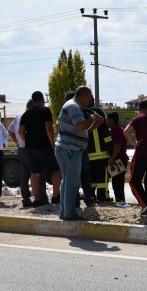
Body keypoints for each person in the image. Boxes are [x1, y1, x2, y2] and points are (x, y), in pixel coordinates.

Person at [55, 86, 103, 220]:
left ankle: (64, 212)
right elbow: (80, 126)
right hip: (69, 149)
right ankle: (68, 213)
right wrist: (92, 119)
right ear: (83, 95)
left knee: (67, 181)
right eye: (89, 96)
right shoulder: (73, 106)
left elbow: (83, 127)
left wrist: (90, 125)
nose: (91, 99)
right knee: (72, 182)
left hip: (69, 149)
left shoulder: (76, 107)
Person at [19, 91, 61, 206]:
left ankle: (37, 200)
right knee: (57, 170)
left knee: (35, 173)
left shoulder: (26, 113)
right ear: (42, 99)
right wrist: (53, 144)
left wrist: (27, 142)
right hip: (44, 147)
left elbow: (20, 131)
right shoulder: (45, 110)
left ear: (32, 101)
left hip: (30, 149)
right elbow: (49, 128)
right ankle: (56, 196)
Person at [86, 97, 113, 202]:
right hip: (102, 154)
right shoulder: (99, 112)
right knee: (102, 178)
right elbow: (106, 134)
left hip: (88, 154)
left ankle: (91, 196)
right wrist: (111, 151)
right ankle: (103, 196)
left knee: (91, 177)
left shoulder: (83, 113)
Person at [8, 100, 34, 207]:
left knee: (25, 174)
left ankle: (26, 198)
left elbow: (11, 130)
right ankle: (38, 197)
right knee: (37, 172)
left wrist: (18, 142)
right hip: (30, 148)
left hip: (22, 148)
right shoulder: (30, 114)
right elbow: (19, 131)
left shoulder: (18, 115)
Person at [107, 112, 129, 203]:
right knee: (117, 182)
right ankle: (120, 200)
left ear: (112, 120)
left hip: (118, 160)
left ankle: (120, 200)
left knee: (117, 183)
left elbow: (118, 145)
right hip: (119, 159)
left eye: (108, 120)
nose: (107, 121)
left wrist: (112, 159)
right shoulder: (117, 129)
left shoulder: (116, 130)